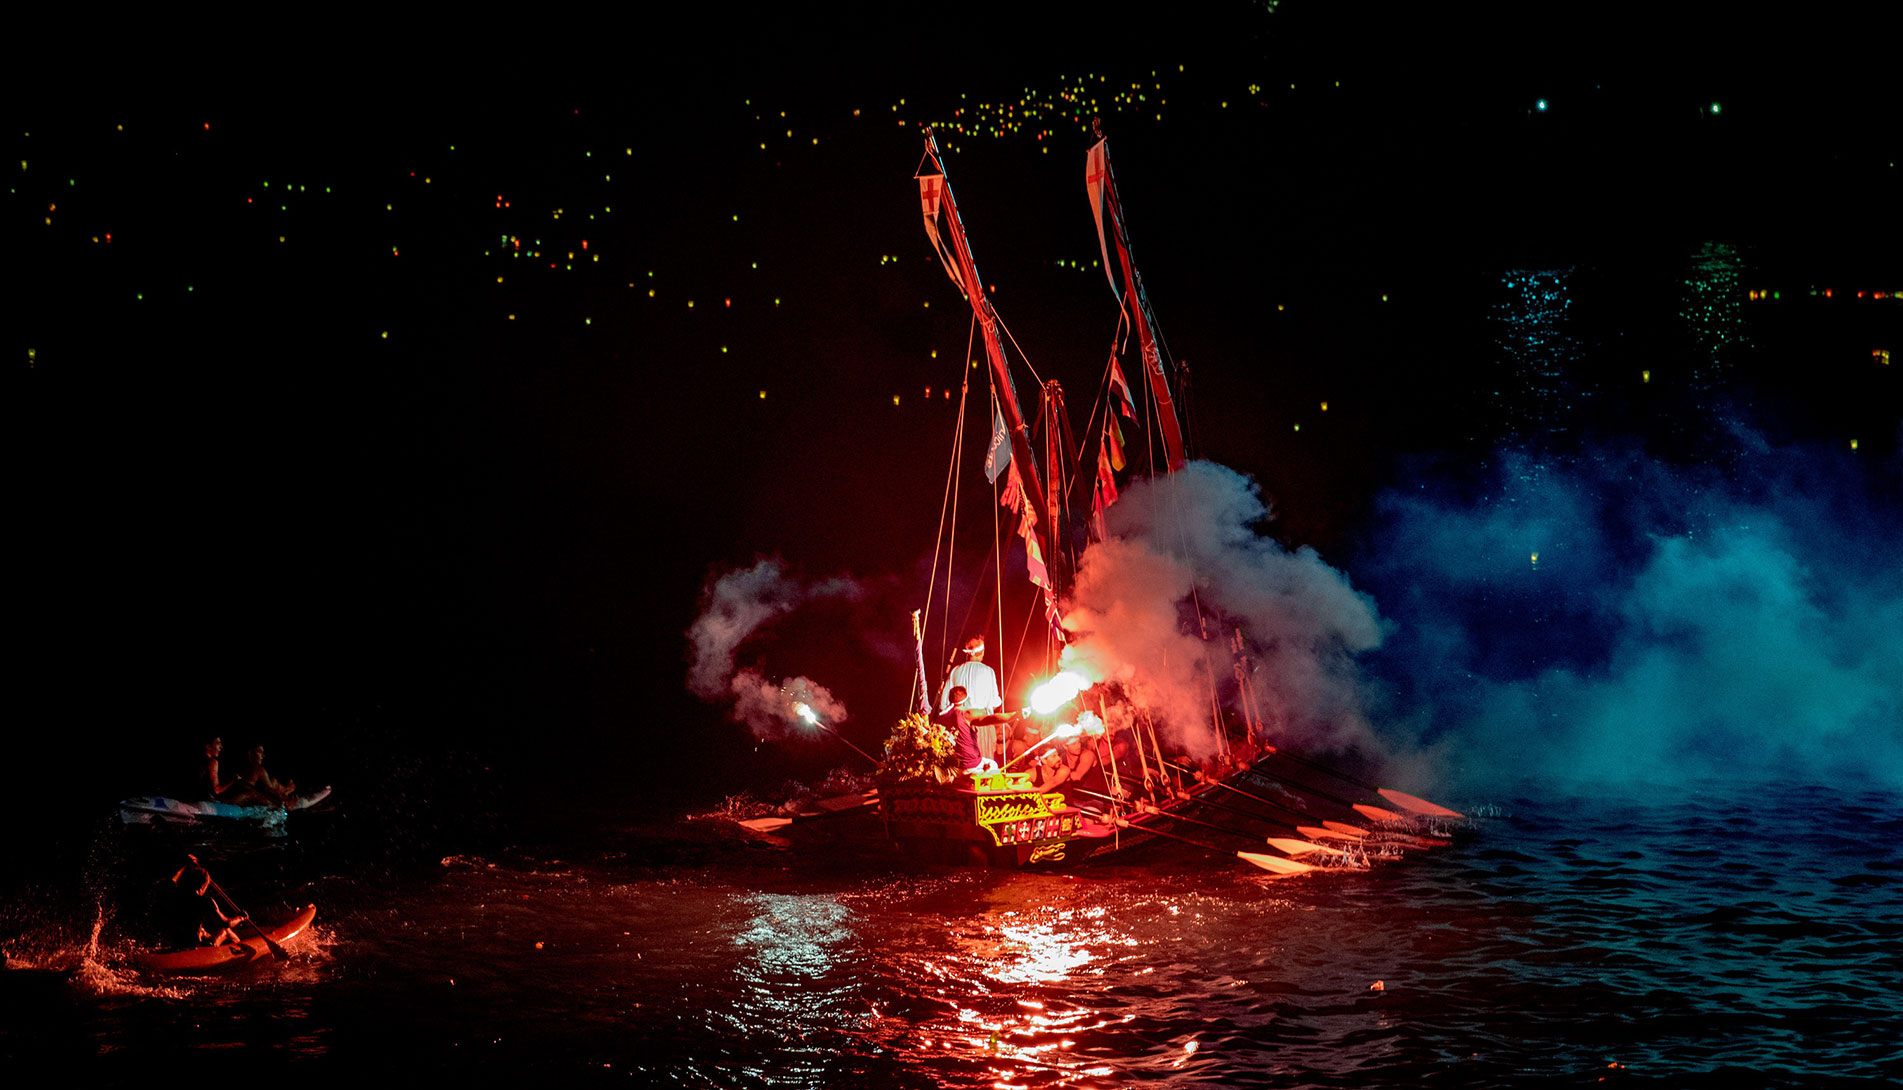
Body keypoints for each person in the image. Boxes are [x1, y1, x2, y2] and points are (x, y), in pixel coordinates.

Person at [939, 638, 1012, 764]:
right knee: (984, 763)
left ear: (967, 652)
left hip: (959, 724)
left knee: (960, 764)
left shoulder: (955, 670)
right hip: (980, 723)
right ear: (982, 652)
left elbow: (943, 704)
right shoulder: (988, 671)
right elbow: (995, 702)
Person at [166, 858, 246, 948]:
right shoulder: (205, 901)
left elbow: (171, 880)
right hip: (194, 946)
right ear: (203, 885)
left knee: (203, 932)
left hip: (176, 943)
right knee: (226, 931)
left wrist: (185, 865)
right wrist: (241, 918)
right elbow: (226, 923)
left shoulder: (175, 894)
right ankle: (240, 953)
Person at [224, 743, 297, 807]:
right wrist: (285, 793)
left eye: (263, 753)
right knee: (259, 794)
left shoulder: (241, 765)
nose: (263, 756)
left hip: (232, 796)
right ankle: (287, 798)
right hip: (238, 799)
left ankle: (286, 793)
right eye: (259, 752)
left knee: (269, 786)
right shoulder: (258, 768)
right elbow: (271, 790)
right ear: (250, 753)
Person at [935, 686, 985, 774]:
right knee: (993, 765)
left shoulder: (941, 718)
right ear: (966, 700)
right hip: (970, 765)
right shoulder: (966, 715)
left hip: (954, 767)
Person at [193, 736, 240, 802]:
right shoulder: (213, 762)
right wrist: (234, 781)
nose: (221, 747)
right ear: (208, 746)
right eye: (218, 743)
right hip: (205, 801)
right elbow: (217, 790)